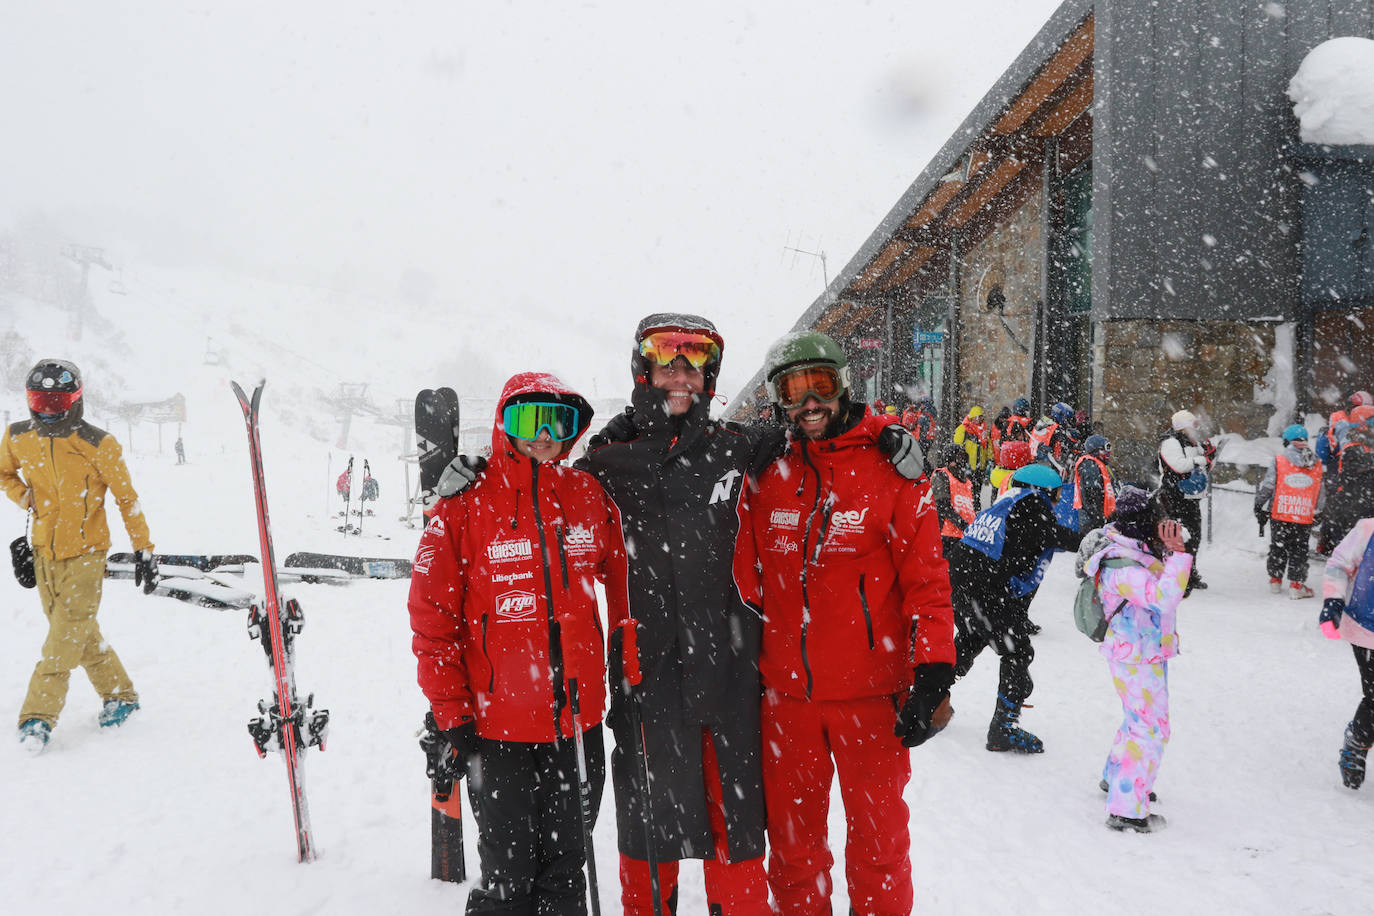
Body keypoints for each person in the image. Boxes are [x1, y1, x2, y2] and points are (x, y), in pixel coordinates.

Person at [735, 330, 955, 916]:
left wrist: (933, 670)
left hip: (871, 697)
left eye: (821, 386)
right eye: (793, 390)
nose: (810, 403)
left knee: (879, 850)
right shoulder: (767, 473)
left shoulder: (892, 469)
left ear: (844, 385)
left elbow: (928, 581)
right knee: (793, 852)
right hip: (788, 699)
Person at [407, 371, 633, 912]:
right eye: (528, 419)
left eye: (559, 421)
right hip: (498, 730)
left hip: (576, 729)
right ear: (504, 424)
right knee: (510, 873)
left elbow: (627, 582)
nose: (544, 434)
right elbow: (431, 619)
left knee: (566, 868)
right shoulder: (465, 503)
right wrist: (451, 713)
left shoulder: (586, 495)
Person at [576, 314, 777, 915]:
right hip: (647, 681)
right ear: (644, 367)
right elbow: (537, 489)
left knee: (735, 832)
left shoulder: (737, 449)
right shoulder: (608, 465)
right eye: (669, 358)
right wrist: (474, 475)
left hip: (730, 676)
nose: (681, 373)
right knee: (647, 835)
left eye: (695, 360)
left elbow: (820, 432)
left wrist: (886, 437)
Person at [1, 359, 158, 754]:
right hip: (43, 552)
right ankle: (121, 695)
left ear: (75, 400)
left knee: (63, 637)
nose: (47, 410)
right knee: (78, 632)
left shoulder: (97, 443)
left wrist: (144, 548)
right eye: (40, 400)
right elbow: (3, 473)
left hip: (87, 553)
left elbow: (126, 499)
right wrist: (24, 496)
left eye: (56, 401)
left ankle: (38, 716)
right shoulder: (19, 436)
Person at [1078, 486, 1192, 832]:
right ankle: (1126, 808)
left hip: (1143, 651)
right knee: (1150, 729)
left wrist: (1168, 553)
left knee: (1138, 722)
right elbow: (1163, 597)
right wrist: (1178, 554)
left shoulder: (1132, 548)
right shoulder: (1121, 565)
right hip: (1135, 655)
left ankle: (1117, 779)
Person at [946, 463, 1082, 753]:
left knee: (971, 639)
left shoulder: (1006, 503)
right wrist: (1090, 541)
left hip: (965, 583)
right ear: (1043, 491)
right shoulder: (1032, 505)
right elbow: (1052, 535)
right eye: (1056, 495)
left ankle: (925, 699)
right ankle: (1003, 729)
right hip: (984, 588)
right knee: (1017, 652)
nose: (1056, 502)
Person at [1319, 505, 1374, 790]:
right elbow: (1338, 564)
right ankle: (1358, 740)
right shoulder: (1367, 529)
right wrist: (1333, 601)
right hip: (1368, 631)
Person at [1255, 424, 1324, 598]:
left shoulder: (1280, 460)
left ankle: (1275, 580)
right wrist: (1319, 511)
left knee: (1278, 546)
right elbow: (1320, 490)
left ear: (1287, 441)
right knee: (1299, 549)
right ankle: (1296, 585)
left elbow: (1269, 485)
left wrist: (1259, 503)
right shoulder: (1316, 462)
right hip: (1303, 514)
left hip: (1281, 511)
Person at [1158, 409, 1215, 593]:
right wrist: (1200, 459)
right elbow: (1178, 465)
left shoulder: (1192, 442)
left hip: (1191, 496)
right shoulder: (1170, 442)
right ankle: (1177, 575)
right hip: (1174, 495)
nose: (1196, 430)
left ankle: (1190, 572)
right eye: (1192, 425)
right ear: (1183, 427)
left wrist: (1208, 456)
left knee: (1194, 535)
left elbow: (1202, 463)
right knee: (1178, 536)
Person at [1325, 407, 1374, 552]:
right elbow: (1349, 474)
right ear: (1362, 425)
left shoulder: (1368, 445)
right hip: (1354, 504)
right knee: (1352, 548)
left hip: (1365, 503)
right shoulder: (1352, 447)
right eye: (1372, 422)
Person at [932, 443, 978, 557]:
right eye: (959, 457)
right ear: (951, 459)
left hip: (966, 537)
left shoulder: (968, 482)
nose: (962, 461)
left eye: (964, 457)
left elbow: (973, 508)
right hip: (947, 535)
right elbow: (942, 506)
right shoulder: (942, 475)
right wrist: (963, 524)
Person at [1073, 434, 1118, 534]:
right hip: (1092, 520)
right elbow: (1092, 493)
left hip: (1099, 518)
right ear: (1096, 450)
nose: (1108, 452)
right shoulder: (1090, 464)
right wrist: (1099, 517)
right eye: (1106, 448)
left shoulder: (1101, 464)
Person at [952, 406, 994, 510]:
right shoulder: (963, 429)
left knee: (978, 489)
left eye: (980, 417)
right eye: (976, 417)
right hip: (968, 466)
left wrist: (990, 459)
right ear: (971, 417)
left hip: (981, 465)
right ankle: (968, 508)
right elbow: (956, 446)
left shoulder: (984, 430)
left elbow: (988, 446)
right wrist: (960, 461)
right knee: (968, 489)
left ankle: (976, 508)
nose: (978, 419)